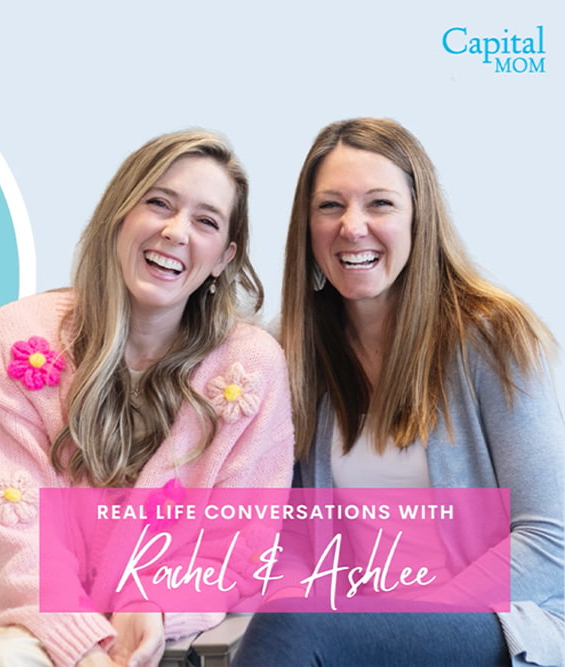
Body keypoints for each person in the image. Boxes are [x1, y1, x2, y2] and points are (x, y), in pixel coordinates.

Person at [0, 130, 295, 667]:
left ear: (225, 257)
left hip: (154, 642)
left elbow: (237, 545)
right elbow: (12, 533)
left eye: (205, 221)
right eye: (158, 202)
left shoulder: (248, 368)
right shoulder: (22, 337)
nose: (176, 231)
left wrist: (152, 604)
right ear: (119, 214)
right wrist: (84, 650)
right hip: (1, 627)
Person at [231, 117, 564, 666]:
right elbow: (288, 537)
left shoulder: (492, 336)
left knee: (293, 631)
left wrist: (404, 622)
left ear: (418, 218)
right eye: (330, 206)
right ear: (307, 226)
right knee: (283, 621)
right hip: (357, 630)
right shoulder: (291, 356)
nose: (352, 226)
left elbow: (551, 541)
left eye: (380, 204)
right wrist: (304, 599)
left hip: (503, 624)